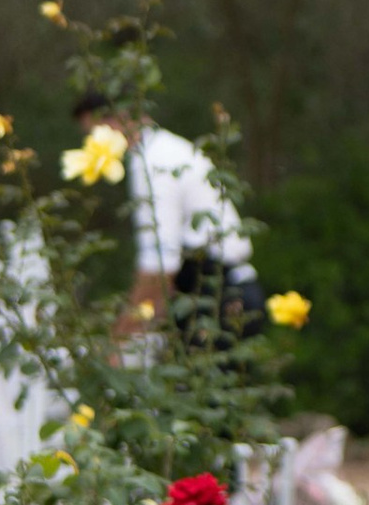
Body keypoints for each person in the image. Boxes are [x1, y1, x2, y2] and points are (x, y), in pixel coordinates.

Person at [77, 100, 266, 349]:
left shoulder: (154, 162)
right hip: (221, 296)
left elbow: (159, 268)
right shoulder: (165, 149)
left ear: (112, 120)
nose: (91, 144)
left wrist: (119, 341)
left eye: (92, 133)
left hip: (217, 303)